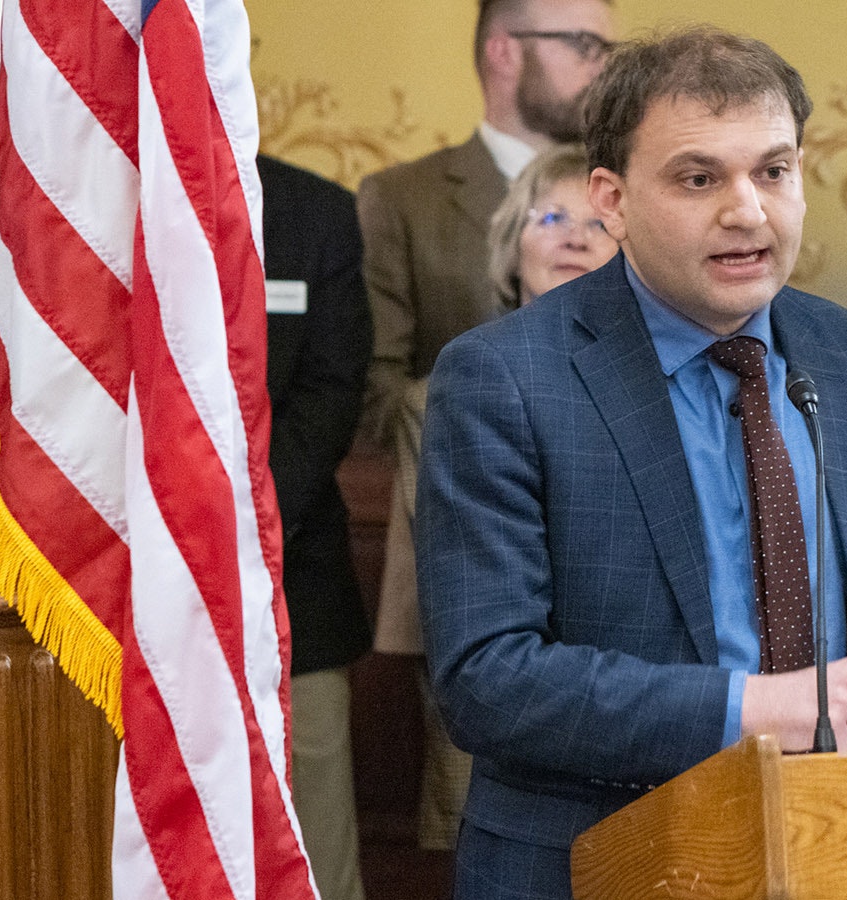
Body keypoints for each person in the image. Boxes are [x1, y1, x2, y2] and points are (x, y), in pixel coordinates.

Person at [415, 26, 847, 899]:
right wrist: (757, 708)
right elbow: (487, 679)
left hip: (838, 846)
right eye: (698, 177)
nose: (747, 210)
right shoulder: (504, 377)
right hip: (599, 858)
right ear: (612, 199)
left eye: (774, 171)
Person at [356, 0, 616, 852]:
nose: (604, 66)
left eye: (595, 223)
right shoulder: (404, 198)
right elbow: (378, 386)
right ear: (505, 50)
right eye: (585, 45)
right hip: (465, 593)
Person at [259, 154, 374, 900]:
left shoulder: (313, 209)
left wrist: (240, 521)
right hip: (127, 586)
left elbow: (334, 390)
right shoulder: (92, 188)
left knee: (316, 852)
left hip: (293, 580)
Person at [486, 143, 618, 308]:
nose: (576, 240)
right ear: (513, 246)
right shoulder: (479, 335)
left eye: (600, 225)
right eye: (554, 218)